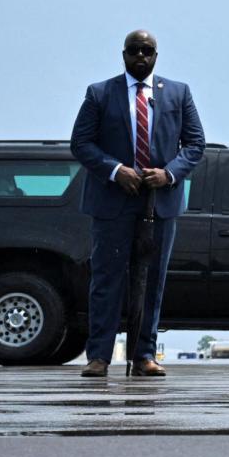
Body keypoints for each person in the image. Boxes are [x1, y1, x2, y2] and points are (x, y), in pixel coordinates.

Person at [70, 30, 205, 378]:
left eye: (148, 50)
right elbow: (81, 143)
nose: (141, 56)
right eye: (134, 50)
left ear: (157, 55)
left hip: (160, 203)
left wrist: (169, 174)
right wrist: (116, 171)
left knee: (153, 281)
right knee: (106, 280)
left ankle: (144, 355)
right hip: (113, 202)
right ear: (123, 54)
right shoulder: (100, 93)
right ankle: (98, 356)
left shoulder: (178, 92)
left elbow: (195, 144)